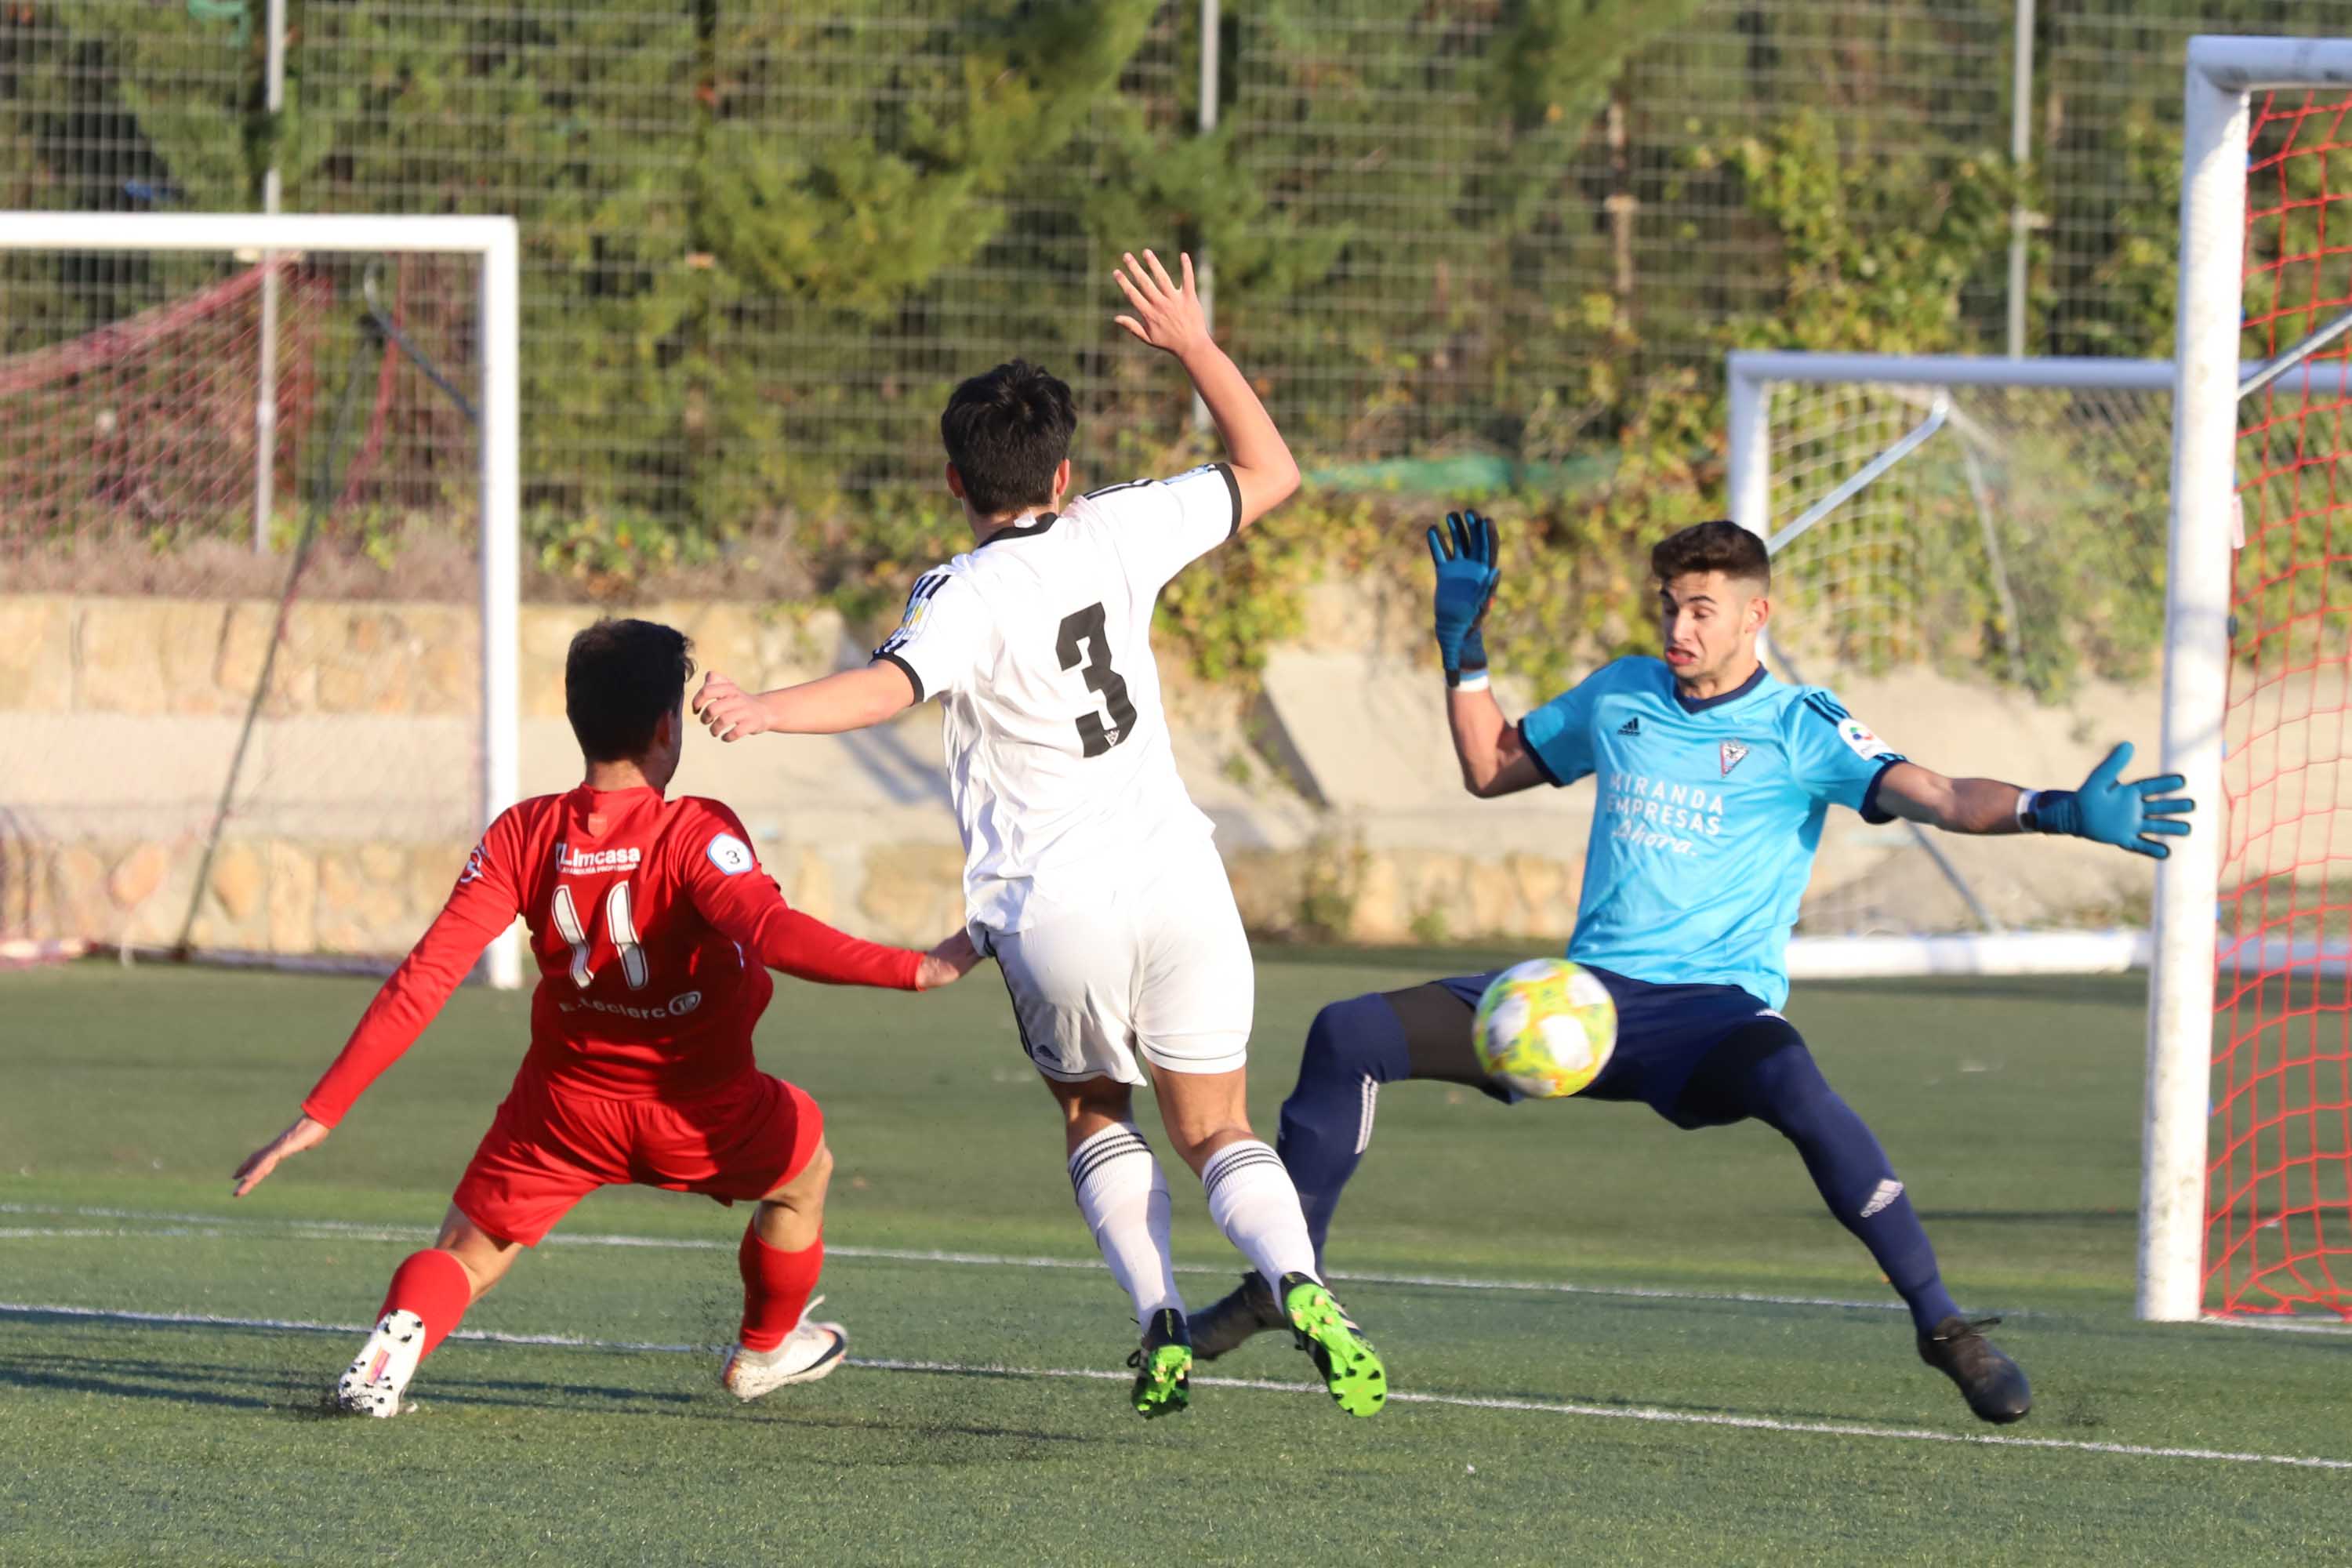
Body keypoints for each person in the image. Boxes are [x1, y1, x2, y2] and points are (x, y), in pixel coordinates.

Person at [1187, 514, 2194, 1426]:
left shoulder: (1803, 725)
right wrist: (1464, 648)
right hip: (1578, 1006)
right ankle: (1285, 1280)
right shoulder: (1623, 690)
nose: (1680, 626)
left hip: (1712, 1017)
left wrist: (2055, 808)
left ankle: (1944, 1326)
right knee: (1346, 1031)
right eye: (1671, 605)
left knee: (1796, 1082)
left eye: (1702, 609)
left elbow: (1936, 791)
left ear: (1757, 614)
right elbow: (1491, 767)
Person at [690, 250, 1385, 1420]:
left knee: (1093, 1111)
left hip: (1052, 907)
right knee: (1215, 1124)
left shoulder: (957, 591)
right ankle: (1298, 1279)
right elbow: (1273, 469)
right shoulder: (1119, 527)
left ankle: (1160, 1313)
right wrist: (1196, 346)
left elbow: (887, 689)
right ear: (1063, 471)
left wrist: (762, 709)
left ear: (955, 479)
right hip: (1178, 879)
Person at [231, 617, 978, 1417]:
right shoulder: (695, 830)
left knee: (466, 1250)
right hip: (703, 1108)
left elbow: (426, 977)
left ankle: (393, 1343)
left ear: (576, 718)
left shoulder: (522, 833)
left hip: (562, 1111)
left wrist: (323, 1109)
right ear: (666, 726)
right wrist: (915, 967)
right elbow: (773, 931)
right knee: (805, 1171)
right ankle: (764, 1349)